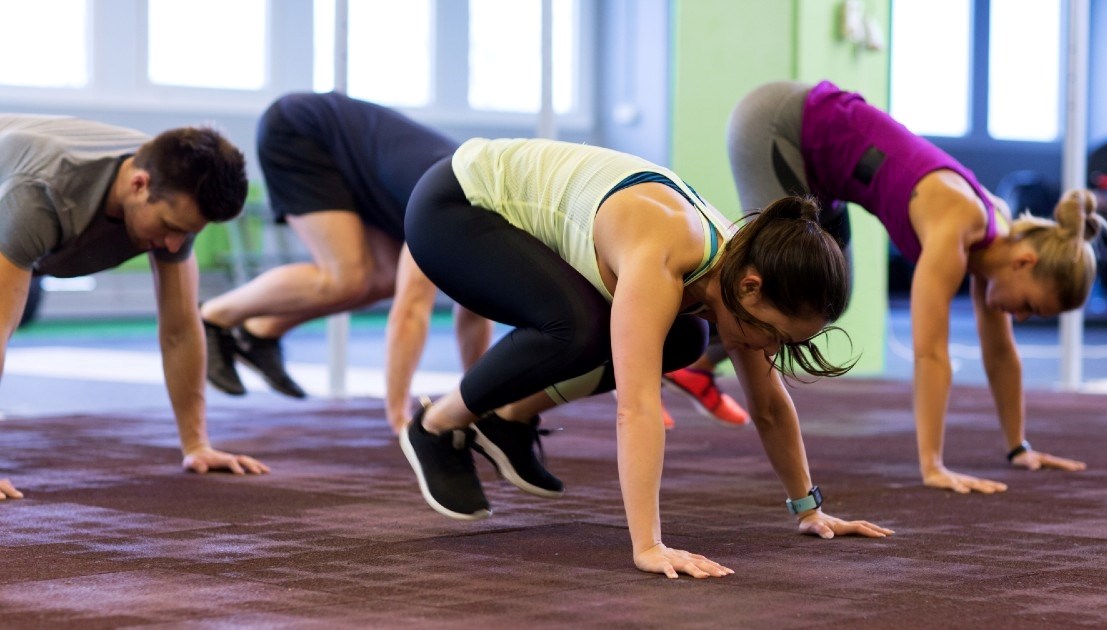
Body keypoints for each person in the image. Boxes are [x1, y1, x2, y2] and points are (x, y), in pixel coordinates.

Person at [398, 137, 893, 579]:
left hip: (500, 217)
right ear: (750, 287)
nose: (769, 351)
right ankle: (435, 424)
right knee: (579, 329)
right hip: (455, 206)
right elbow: (635, 407)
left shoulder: (743, 268)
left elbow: (768, 404)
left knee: (684, 342)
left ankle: (508, 420)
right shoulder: (668, 250)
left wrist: (809, 509)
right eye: (773, 336)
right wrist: (649, 546)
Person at [690, 79, 1107, 495]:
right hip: (777, 124)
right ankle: (684, 342)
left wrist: (1018, 447)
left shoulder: (996, 237)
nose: (1019, 316)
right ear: (1024, 261)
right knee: (783, 286)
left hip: (821, 171)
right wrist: (934, 466)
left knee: (830, 299)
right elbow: (929, 351)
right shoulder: (959, 222)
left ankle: (698, 367)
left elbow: (1001, 353)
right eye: (1030, 306)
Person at [0, 114, 268, 501]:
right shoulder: (39, 194)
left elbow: (180, 329)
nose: (176, 245)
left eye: (189, 232)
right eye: (171, 226)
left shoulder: (175, 195)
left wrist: (197, 445)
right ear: (138, 185)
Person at [198, 92, 491, 432]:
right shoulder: (452, 209)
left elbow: (476, 309)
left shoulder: (486, 220)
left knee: (384, 278)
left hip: (359, 161)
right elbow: (410, 313)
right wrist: (400, 418)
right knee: (347, 277)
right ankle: (211, 318)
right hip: (301, 130)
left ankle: (259, 333)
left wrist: (483, 407)